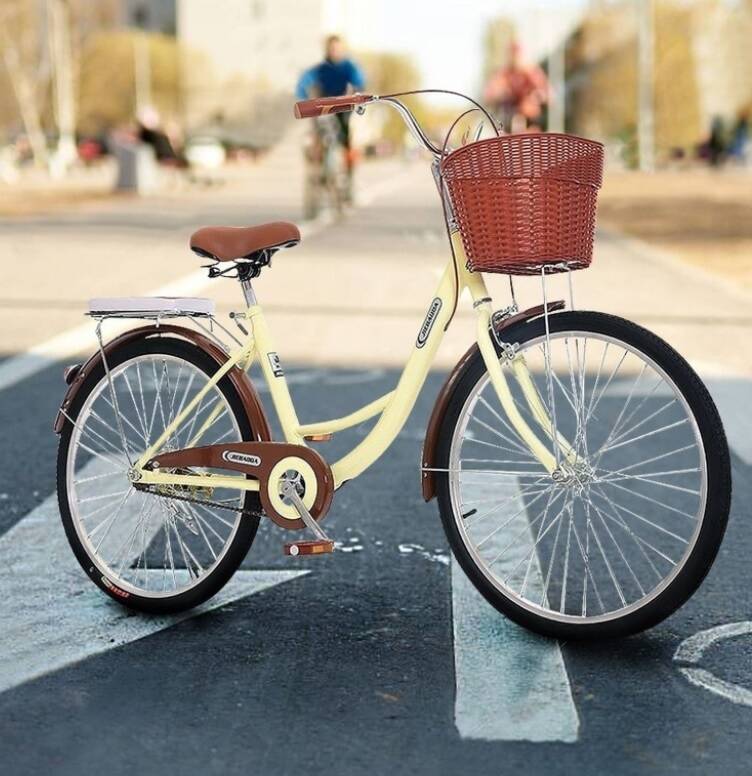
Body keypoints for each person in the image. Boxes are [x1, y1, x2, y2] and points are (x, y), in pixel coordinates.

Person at [295, 35, 366, 182]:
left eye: (338, 48)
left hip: (344, 107)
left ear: (342, 49)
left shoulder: (349, 68)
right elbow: (303, 83)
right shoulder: (321, 69)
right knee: (316, 135)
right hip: (323, 107)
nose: (335, 51)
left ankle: (349, 175)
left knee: (348, 139)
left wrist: (359, 94)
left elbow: (360, 82)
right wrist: (304, 99)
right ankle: (317, 169)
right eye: (332, 48)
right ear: (327, 50)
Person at [483, 41, 549, 132]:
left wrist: (536, 96)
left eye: (517, 54)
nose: (515, 58)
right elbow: (489, 95)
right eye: (512, 54)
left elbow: (548, 94)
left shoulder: (531, 72)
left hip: (531, 124)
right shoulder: (503, 74)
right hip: (509, 124)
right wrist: (502, 95)